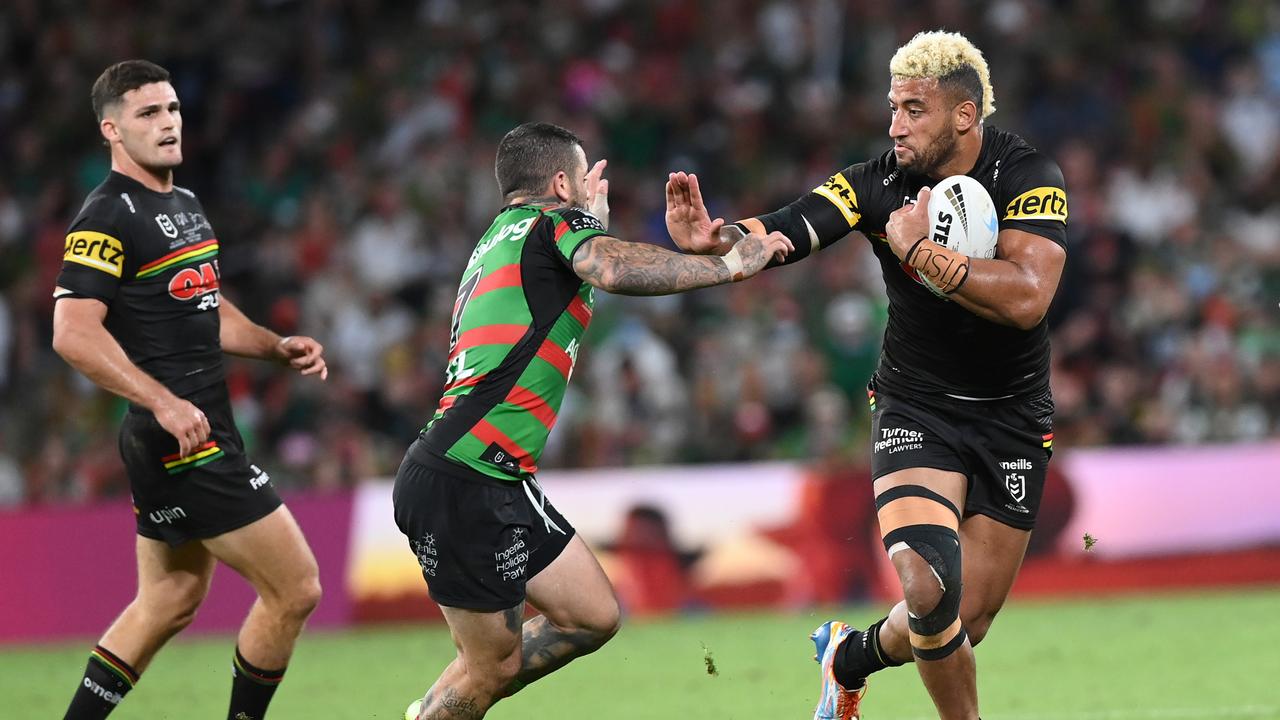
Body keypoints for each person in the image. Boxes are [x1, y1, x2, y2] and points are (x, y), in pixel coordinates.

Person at [665, 30, 1068, 720]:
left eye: (914, 109)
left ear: (964, 116)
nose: (895, 126)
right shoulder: (875, 183)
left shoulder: (1029, 177)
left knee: (964, 623)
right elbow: (790, 228)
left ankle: (848, 658)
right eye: (893, 108)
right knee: (927, 582)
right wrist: (724, 241)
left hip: (1012, 419)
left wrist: (920, 253)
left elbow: (1029, 300)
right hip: (917, 410)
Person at [396, 121, 791, 720]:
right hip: (466, 475)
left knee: (591, 615)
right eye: (581, 181)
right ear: (561, 182)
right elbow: (609, 268)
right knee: (491, 667)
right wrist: (730, 266)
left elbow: (570, 279)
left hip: (488, 472)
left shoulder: (501, 237)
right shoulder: (556, 224)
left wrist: (591, 226)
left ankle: (431, 711)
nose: (586, 194)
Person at [52, 60, 328, 720]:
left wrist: (271, 345)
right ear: (111, 130)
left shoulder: (184, 204)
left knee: (168, 600)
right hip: (184, 436)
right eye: (149, 114)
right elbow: (72, 332)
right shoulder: (106, 216)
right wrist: (164, 401)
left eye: (172, 109)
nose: (169, 122)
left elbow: (204, 301)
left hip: (184, 431)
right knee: (297, 589)